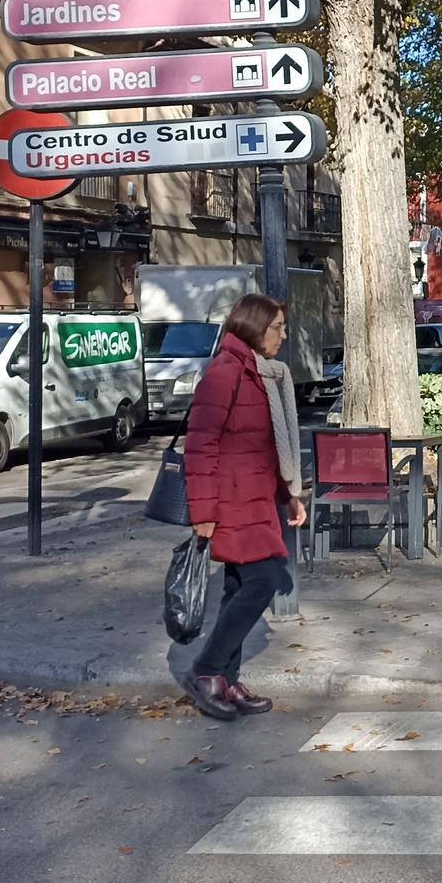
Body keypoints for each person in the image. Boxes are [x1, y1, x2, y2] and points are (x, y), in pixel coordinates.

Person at [181, 293, 308, 721]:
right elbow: (199, 447)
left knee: (238, 588)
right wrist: (202, 514)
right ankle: (207, 671)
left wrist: (288, 493)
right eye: (277, 327)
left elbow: (265, 447)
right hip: (230, 503)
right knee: (264, 579)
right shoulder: (225, 373)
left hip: (255, 499)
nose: (283, 335)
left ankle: (226, 681)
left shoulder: (260, 374)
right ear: (255, 327)